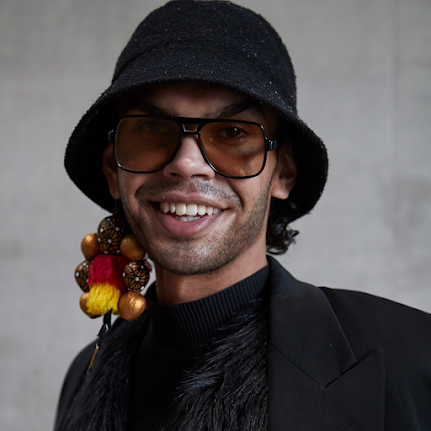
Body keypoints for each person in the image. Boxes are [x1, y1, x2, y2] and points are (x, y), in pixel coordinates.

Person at [54, 1, 431, 430]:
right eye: (153, 129)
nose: (187, 163)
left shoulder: (411, 358)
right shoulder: (85, 375)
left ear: (283, 172)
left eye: (233, 133)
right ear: (112, 170)